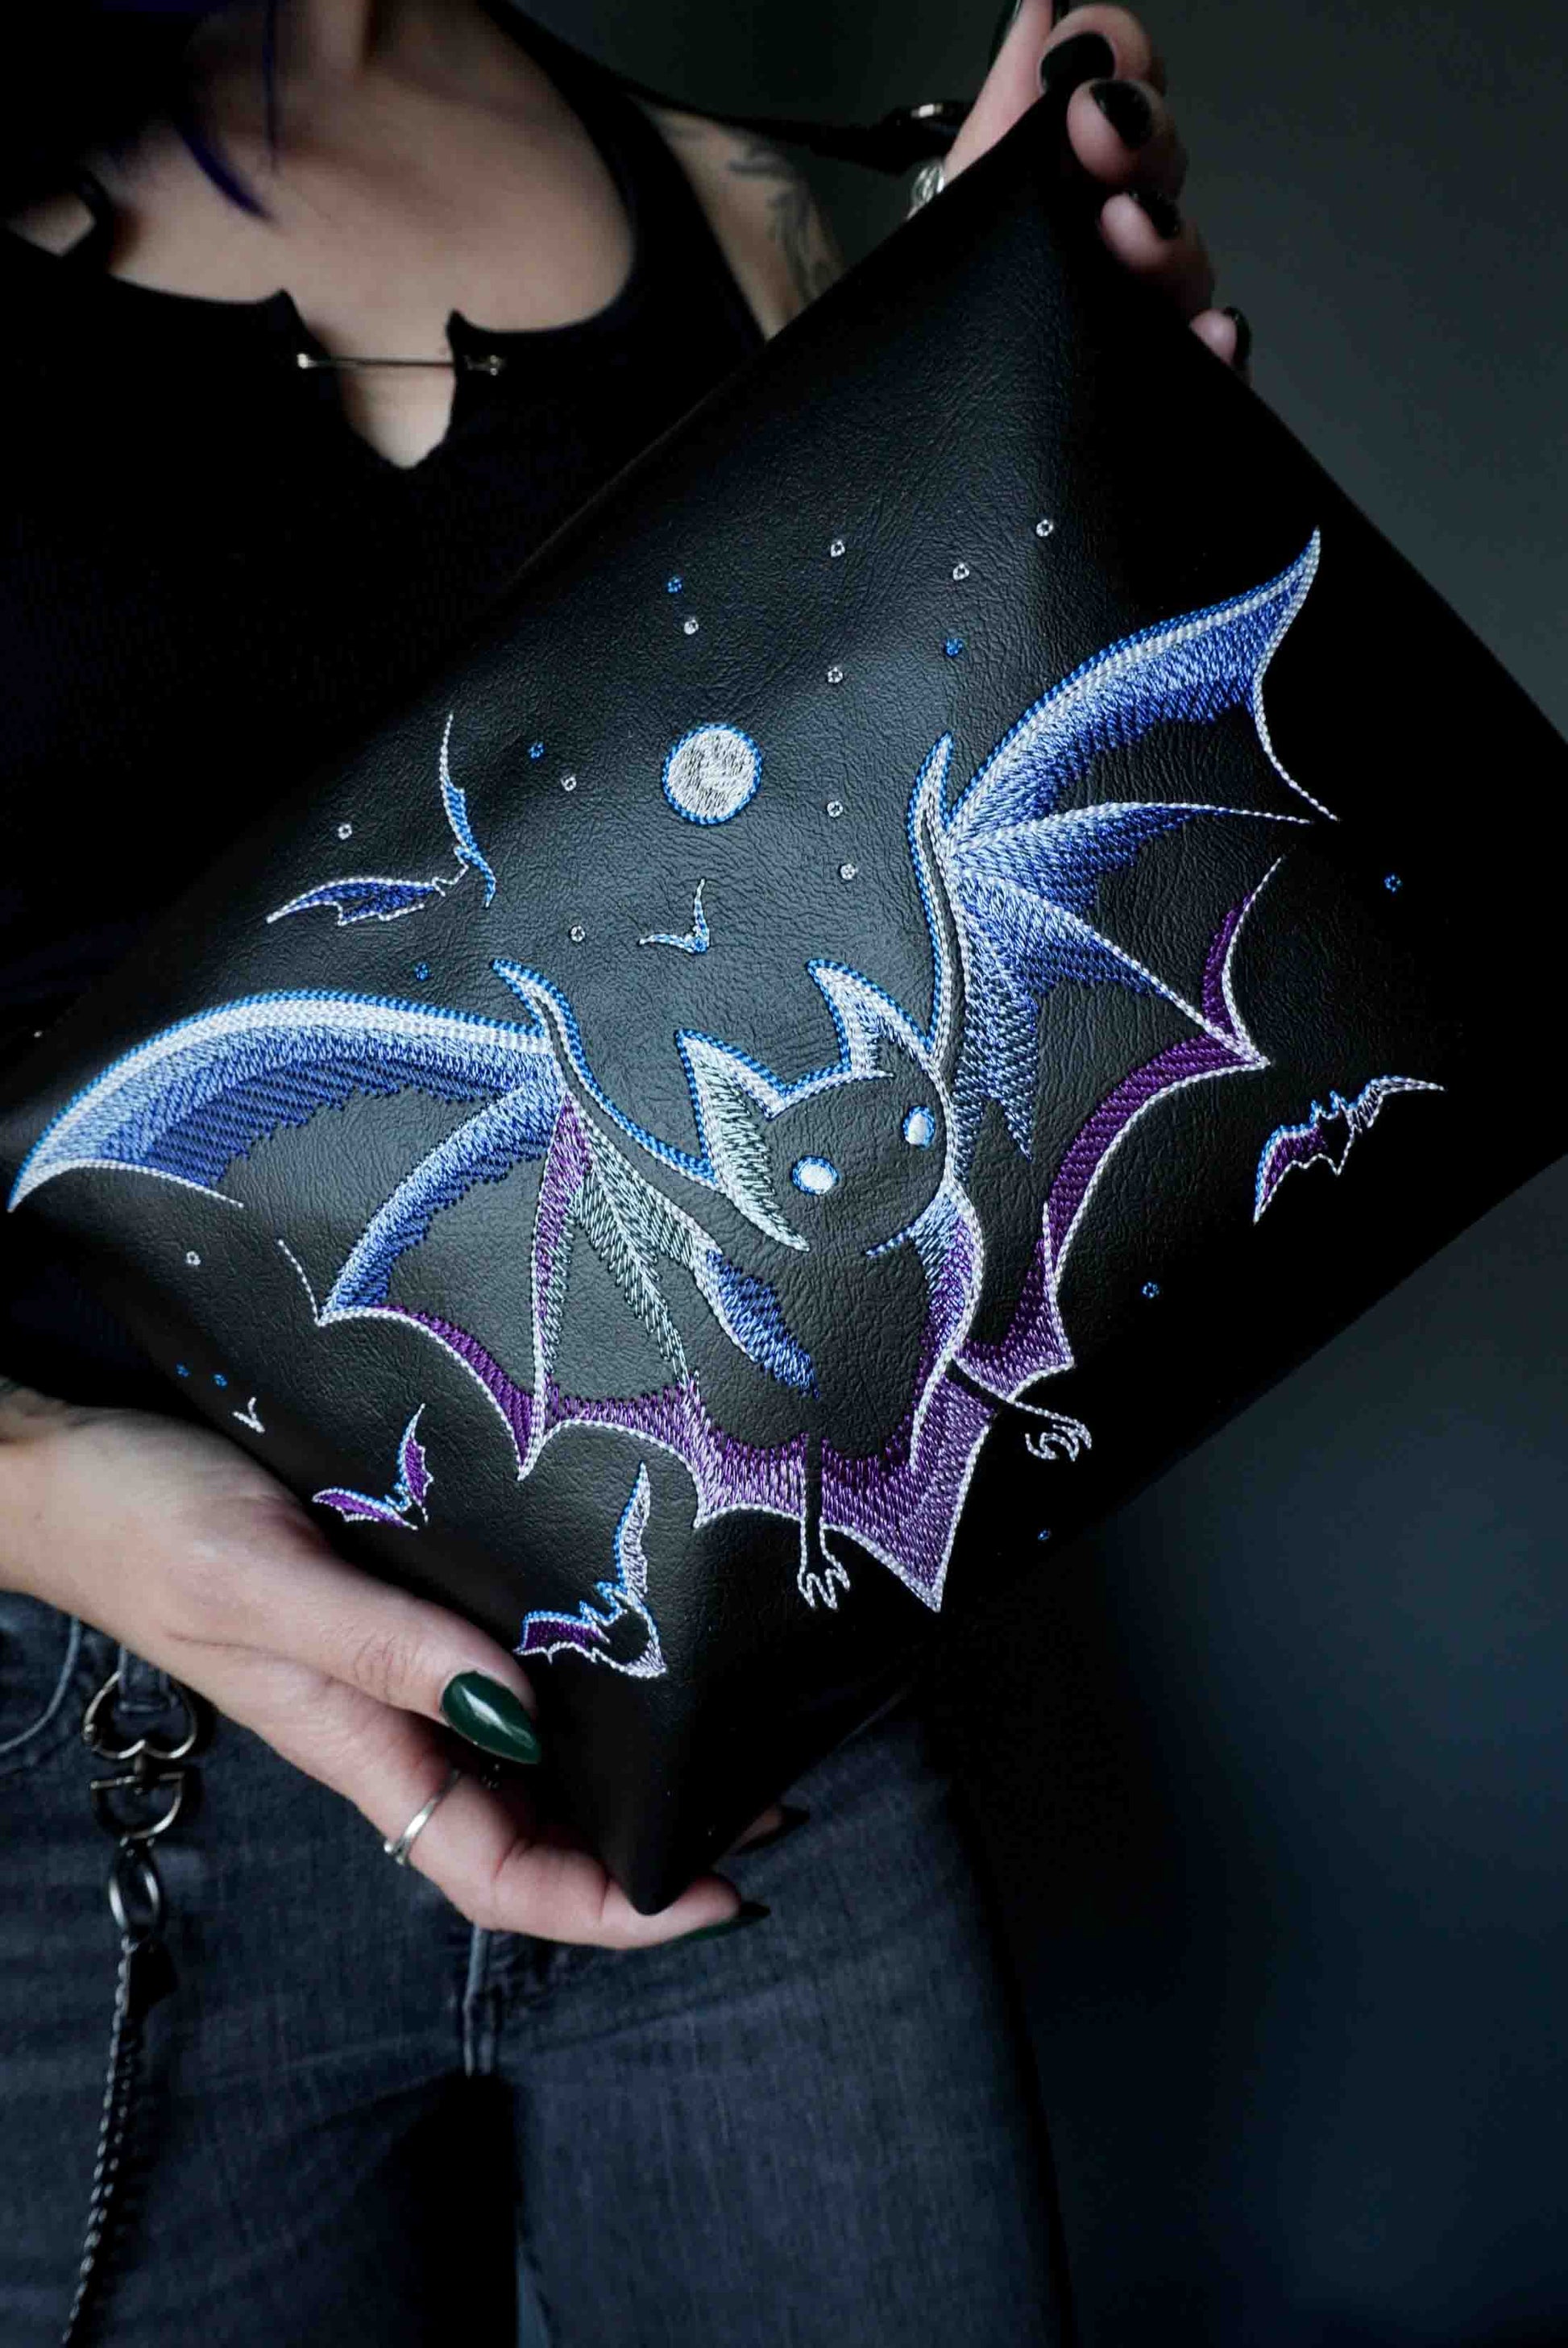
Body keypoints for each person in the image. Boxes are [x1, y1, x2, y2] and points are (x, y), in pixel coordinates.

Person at [0, 3, 1247, 2340]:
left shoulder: (725, 184)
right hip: (100, 1781)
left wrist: (1028, 407)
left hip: (734, 1658)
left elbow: (837, 824)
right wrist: (48, 1500)